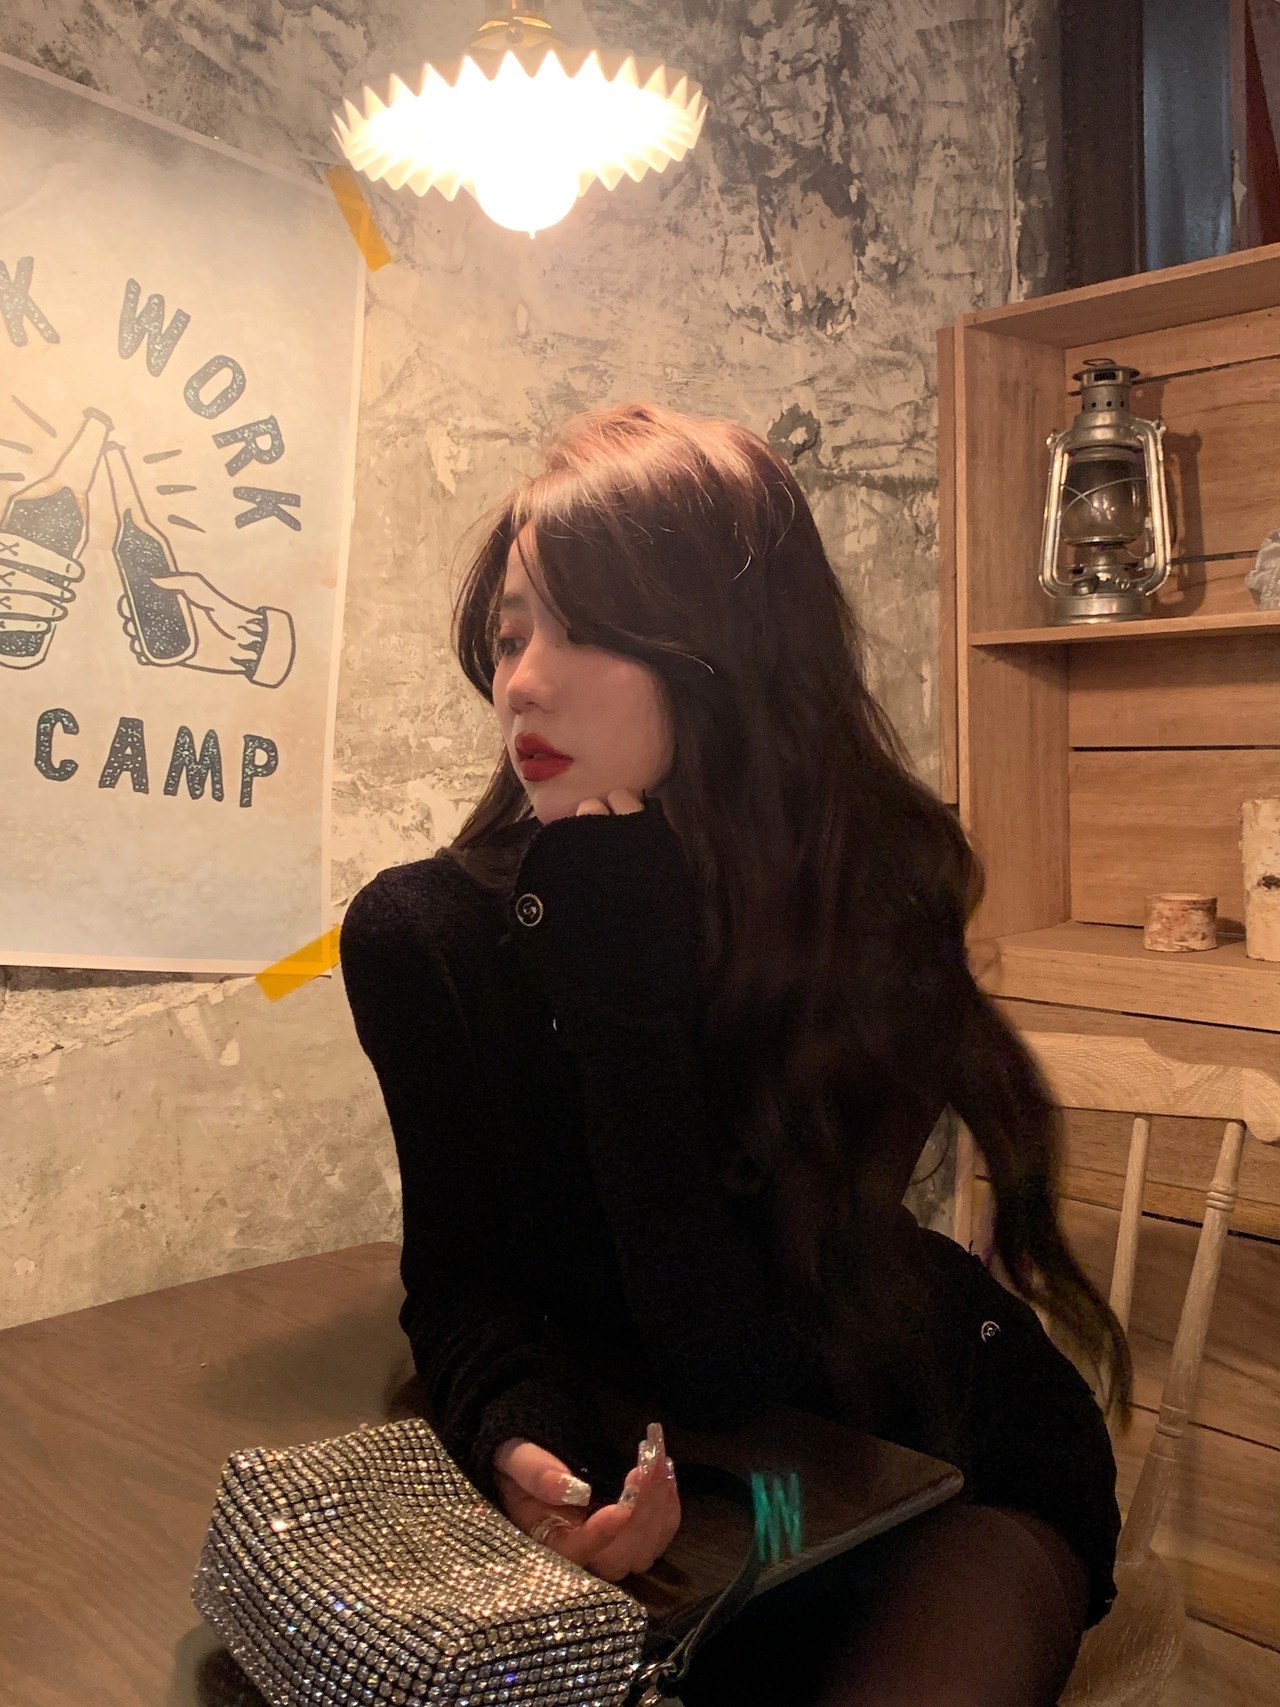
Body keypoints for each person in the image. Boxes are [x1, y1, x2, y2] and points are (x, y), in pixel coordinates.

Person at [339, 401, 1130, 1706]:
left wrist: (625, 1006)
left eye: (588, 628)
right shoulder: (423, 940)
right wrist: (523, 1440)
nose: (522, 681)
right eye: (513, 633)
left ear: (725, 652)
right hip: (692, 1480)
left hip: (927, 1448)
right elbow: (467, 1281)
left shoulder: (870, 911)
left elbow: (733, 1363)